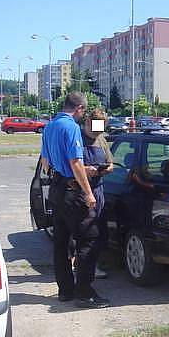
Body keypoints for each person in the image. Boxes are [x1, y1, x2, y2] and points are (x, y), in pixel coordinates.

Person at [41, 92, 109, 308]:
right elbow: (76, 162)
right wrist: (88, 193)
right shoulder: (71, 128)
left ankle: (65, 291)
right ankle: (84, 293)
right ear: (79, 109)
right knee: (88, 241)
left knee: (61, 244)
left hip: (57, 191)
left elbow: (45, 162)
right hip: (73, 193)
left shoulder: (50, 126)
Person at [79, 108, 113, 279]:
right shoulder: (77, 138)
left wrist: (104, 170)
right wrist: (85, 170)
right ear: (87, 123)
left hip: (98, 189)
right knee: (84, 231)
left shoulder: (101, 140)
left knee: (97, 229)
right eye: (95, 129)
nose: (97, 132)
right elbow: (71, 165)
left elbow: (111, 163)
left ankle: (94, 265)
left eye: (101, 129)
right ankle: (80, 267)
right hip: (81, 191)